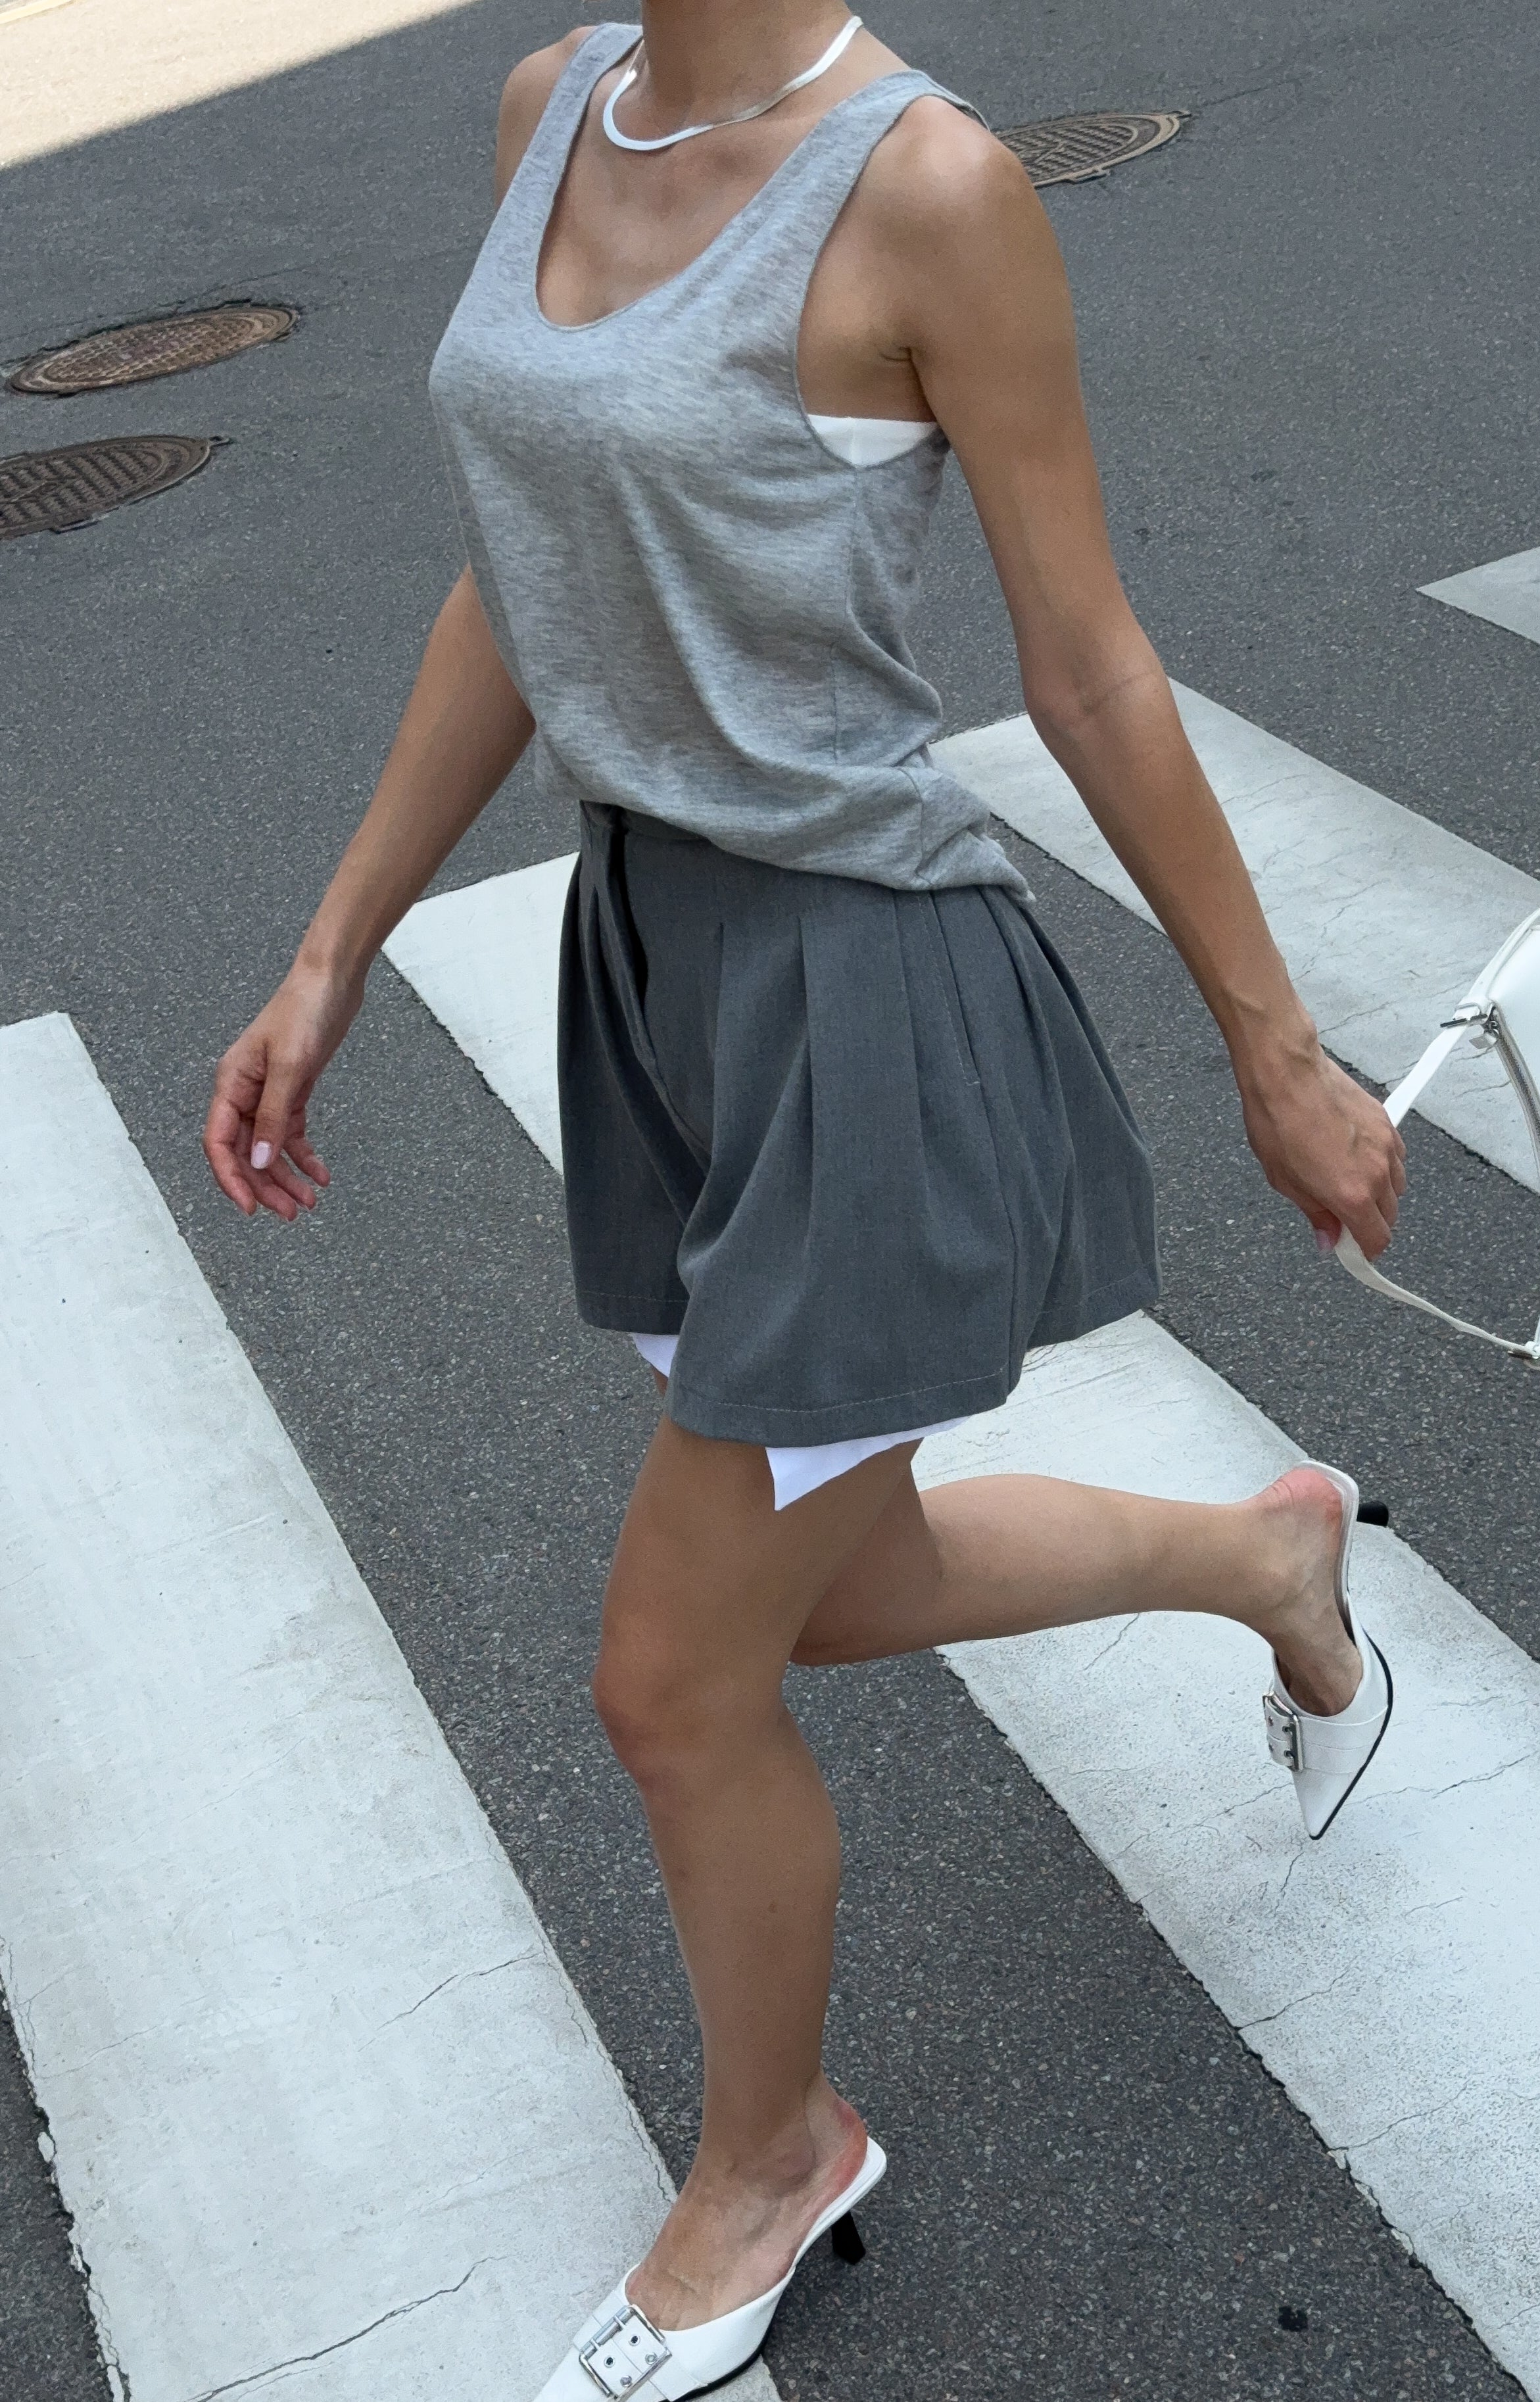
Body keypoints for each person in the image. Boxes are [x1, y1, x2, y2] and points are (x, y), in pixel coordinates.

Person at [203, 8, 1407, 2395]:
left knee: (670, 1685)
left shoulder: (928, 189)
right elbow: (523, 573)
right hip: (662, 975)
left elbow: (1086, 663)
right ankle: (1263, 1563)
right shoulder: (555, 102)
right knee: (829, 1577)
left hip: (863, 1001)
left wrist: (1273, 1045)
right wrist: (333, 949)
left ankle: (774, 2153)